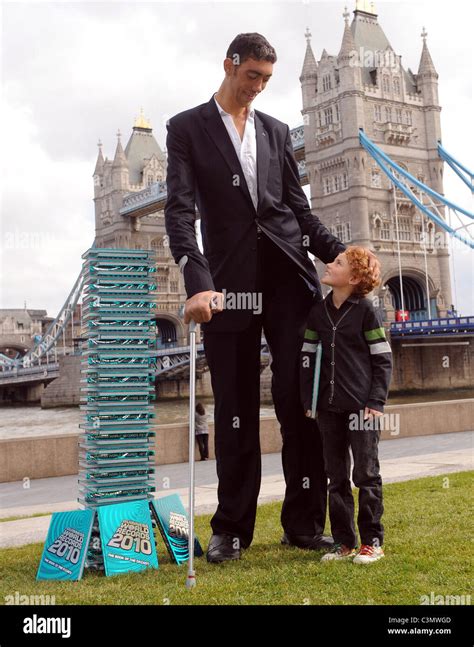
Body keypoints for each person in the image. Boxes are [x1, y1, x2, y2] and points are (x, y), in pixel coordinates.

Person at [165, 32, 381, 564]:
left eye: (266, 79)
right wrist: (198, 284)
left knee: (301, 404)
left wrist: (343, 255)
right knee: (234, 410)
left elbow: (297, 211)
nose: (258, 87)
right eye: (251, 76)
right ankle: (232, 529)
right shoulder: (186, 129)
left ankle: (304, 524)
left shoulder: (278, 131)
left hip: (289, 285)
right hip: (228, 289)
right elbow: (179, 211)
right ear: (229, 65)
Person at [300, 247, 392, 564]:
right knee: (335, 478)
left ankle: (372, 542)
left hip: (362, 408)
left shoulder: (367, 312)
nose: (328, 263)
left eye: (337, 263)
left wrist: (376, 401)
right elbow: (308, 359)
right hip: (327, 408)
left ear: (353, 278)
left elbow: (383, 359)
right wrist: (308, 402)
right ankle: (344, 543)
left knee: (365, 475)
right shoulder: (318, 312)